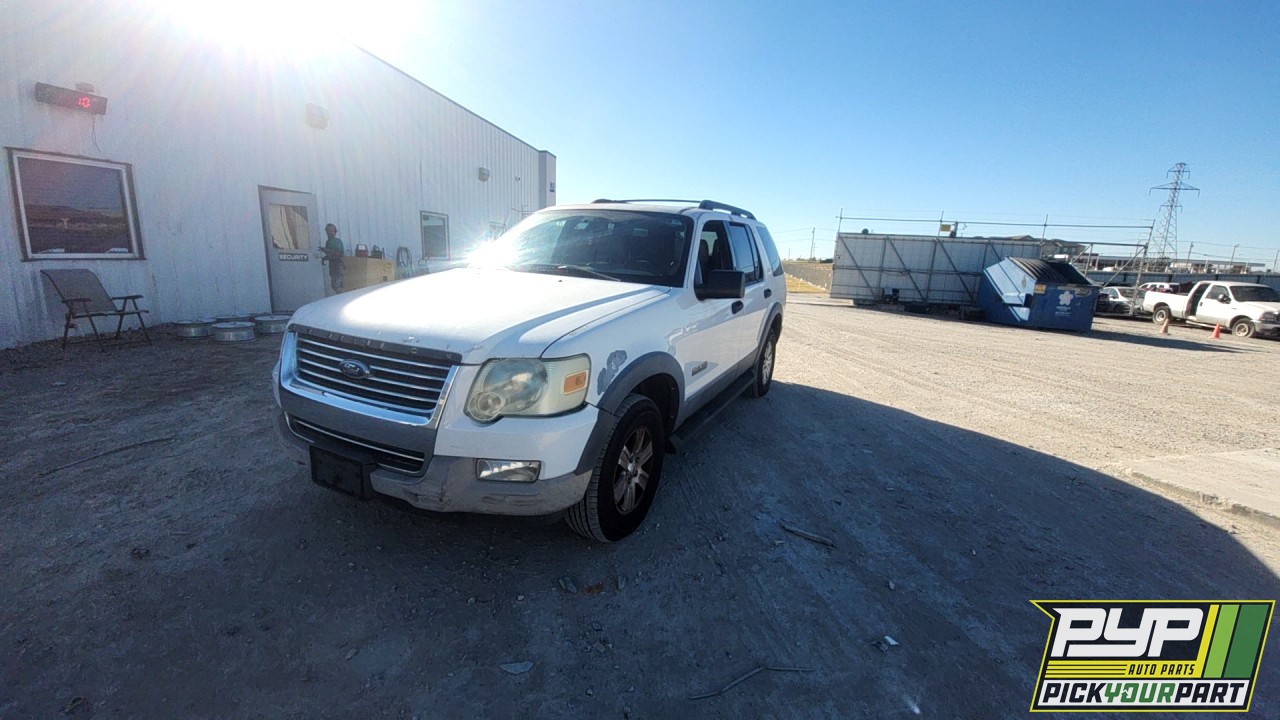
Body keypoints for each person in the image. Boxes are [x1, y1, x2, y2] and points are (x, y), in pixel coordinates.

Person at [323, 223, 344, 293]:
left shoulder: (338, 242)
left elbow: (340, 254)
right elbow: (329, 255)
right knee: (333, 285)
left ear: (335, 232)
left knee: (337, 285)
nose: (330, 233)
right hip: (332, 265)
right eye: (328, 231)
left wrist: (328, 250)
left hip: (338, 265)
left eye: (331, 231)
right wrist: (323, 258)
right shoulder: (328, 242)